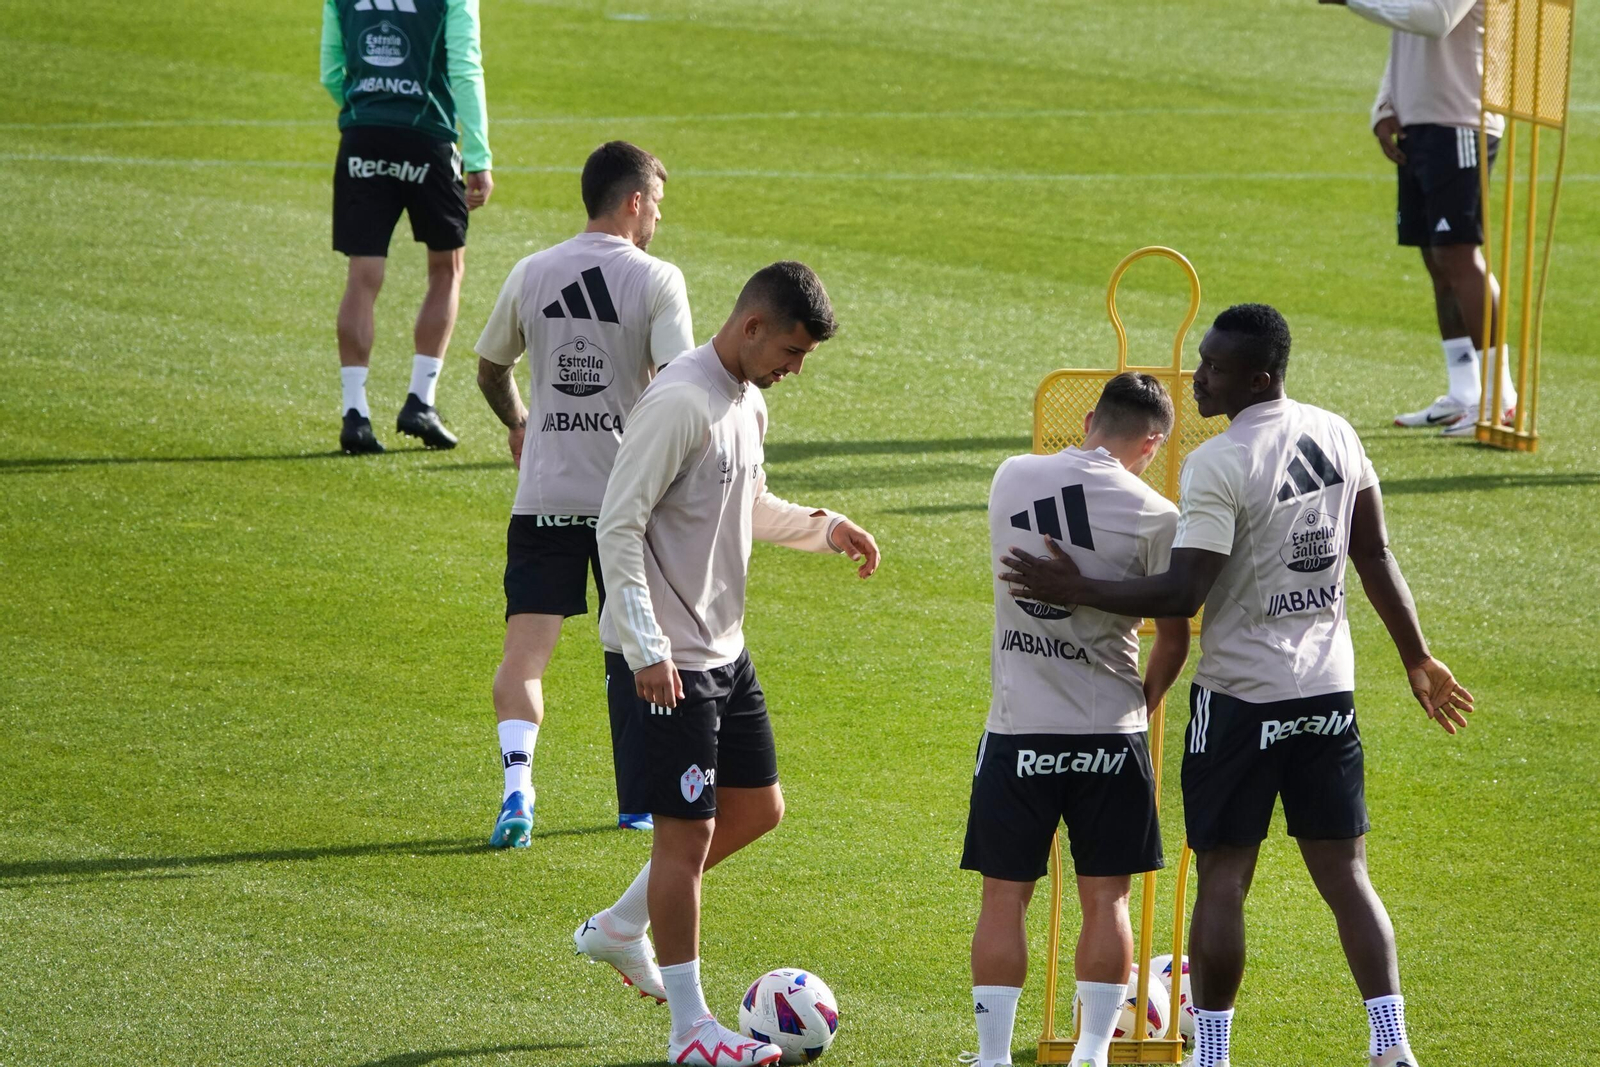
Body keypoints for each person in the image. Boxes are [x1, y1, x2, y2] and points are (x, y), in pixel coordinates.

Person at [1001, 304, 1473, 1067]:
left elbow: (1183, 591)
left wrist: (1074, 584)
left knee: (1224, 877)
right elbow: (1374, 552)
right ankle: (1393, 1045)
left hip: (1241, 700)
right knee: (1347, 875)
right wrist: (1418, 656)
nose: (1199, 376)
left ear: (1256, 376)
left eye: (1213, 366)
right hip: (1328, 694)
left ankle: (1213, 1055)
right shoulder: (1338, 433)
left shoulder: (1220, 462)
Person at [573, 263, 880, 1066]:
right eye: (790, 349)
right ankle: (690, 1030)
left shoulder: (747, 402)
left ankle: (619, 926)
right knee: (687, 835)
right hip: (667, 660)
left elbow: (743, 502)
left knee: (758, 808)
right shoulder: (680, 401)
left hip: (723, 651)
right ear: (751, 327)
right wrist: (644, 646)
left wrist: (825, 526)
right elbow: (617, 524)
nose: (794, 367)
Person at [963, 373, 1191, 1067]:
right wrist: (1136, 708)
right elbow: (1175, 640)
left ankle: (995, 1056)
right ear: (1153, 441)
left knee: (1004, 898)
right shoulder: (1158, 515)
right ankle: (1092, 1051)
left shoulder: (1011, 476)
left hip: (1018, 728)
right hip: (1109, 733)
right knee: (1107, 901)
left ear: (1090, 416)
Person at [473, 141, 692, 845]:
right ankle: (638, 802)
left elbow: (488, 367)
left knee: (523, 656)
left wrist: (520, 423)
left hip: (544, 496)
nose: (657, 216)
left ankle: (517, 789)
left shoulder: (532, 271)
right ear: (633, 201)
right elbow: (681, 389)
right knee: (636, 643)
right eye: (656, 201)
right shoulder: (657, 279)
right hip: (626, 506)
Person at [1321, 0, 1516, 435]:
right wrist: (1385, 104)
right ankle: (1464, 391)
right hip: (1418, 119)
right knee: (1436, 259)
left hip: (1461, 119)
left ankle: (1499, 397)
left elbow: (1434, 19)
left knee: (1459, 256)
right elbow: (1403, 34)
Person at [321, 0, 494, 454]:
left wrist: (369, 110)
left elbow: (330, 70)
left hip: (363, 132)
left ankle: (354, 414)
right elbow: (465, 66)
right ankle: (421, 400)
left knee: (363, 276)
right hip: (427, 136)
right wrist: (478, 156)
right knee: (446, 268)